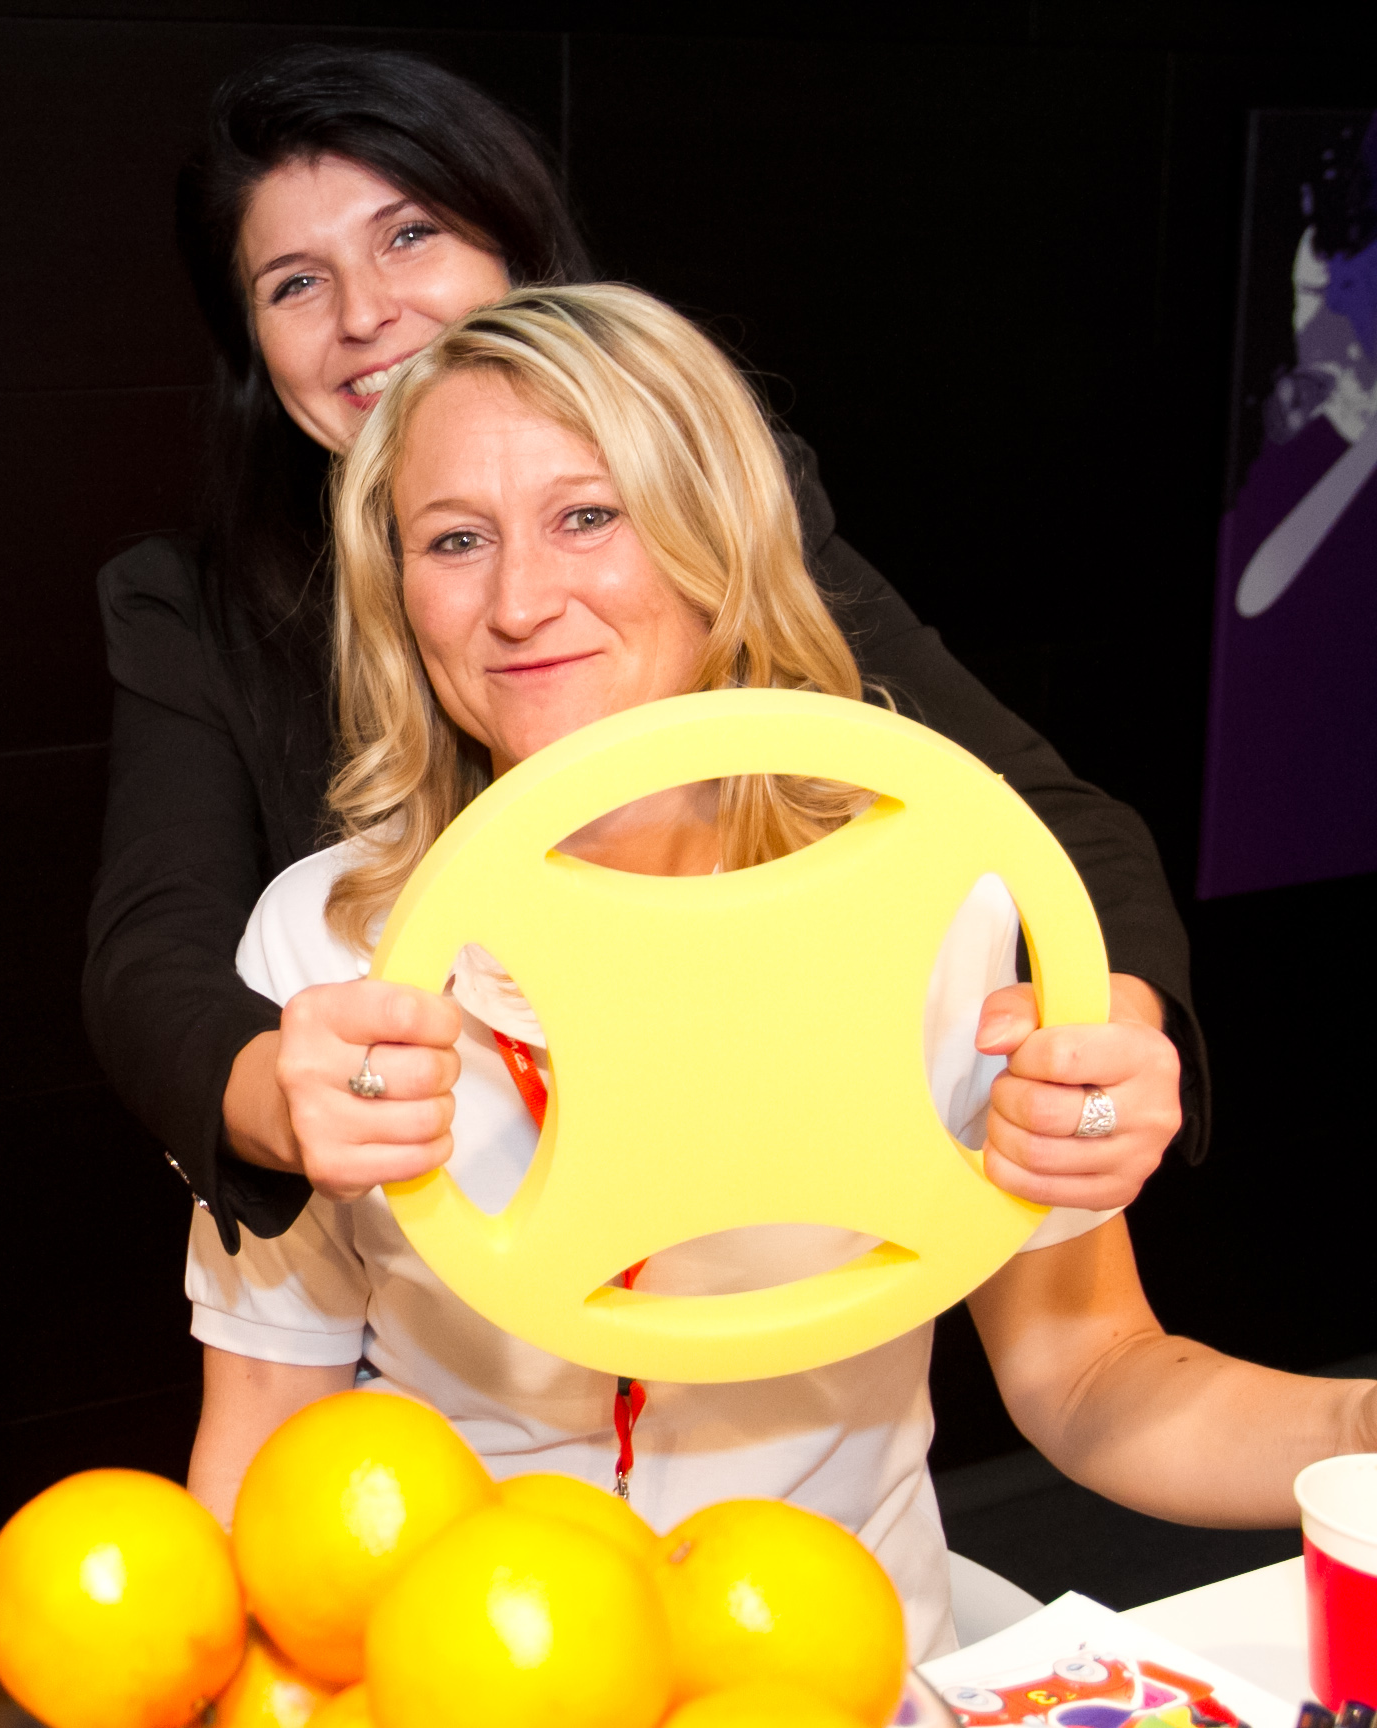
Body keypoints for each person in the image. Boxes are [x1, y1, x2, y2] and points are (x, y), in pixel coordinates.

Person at [179, 283, 1376, 1660]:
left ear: (720, 536)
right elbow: (264, 1436)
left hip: (844, 1664)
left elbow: (1092, 1373)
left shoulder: (935, 904)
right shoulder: (322, 946)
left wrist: (1361, 1426)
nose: (520, 601)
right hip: (481, 1671)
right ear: (399, 594)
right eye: (456, 540)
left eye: (589, 515)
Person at [85, 46, 1198, 1253]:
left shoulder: (713, 512)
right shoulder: (196, 618)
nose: (363, 315)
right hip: (447, 1224)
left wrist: (1104, 1044)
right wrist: (287, 1099)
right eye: (296, 282)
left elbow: (1035, 817)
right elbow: (154, 953)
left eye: (409, 236)